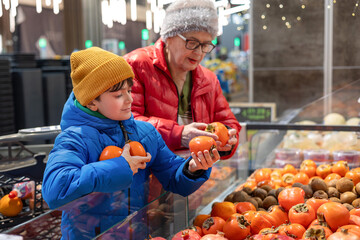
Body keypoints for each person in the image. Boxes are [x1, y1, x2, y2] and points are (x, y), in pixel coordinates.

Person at [41, 47, 220, 239]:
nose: (129, 99)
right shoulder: (74, 139)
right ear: (92, 102)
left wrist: (193, 168)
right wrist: (120, 166)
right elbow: (55, 191)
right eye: (118, 95)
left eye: (129, 89)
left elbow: (172, 175)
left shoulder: (144, 132)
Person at [124, 0, 241, 160]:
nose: (199, 52)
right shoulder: (136, 65)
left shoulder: (208, 79)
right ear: (169, 36)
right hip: (147, 172)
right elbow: (126, 122)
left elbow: (227, 121)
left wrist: (229, 139)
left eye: (206, 45)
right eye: (192, 43)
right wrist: (178, 134)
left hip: (194, 176)